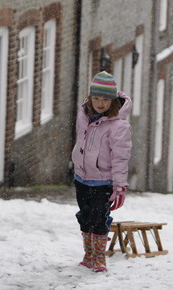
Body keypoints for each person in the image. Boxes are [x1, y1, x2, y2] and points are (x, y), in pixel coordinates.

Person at [71, 71, 132, 272]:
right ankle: (88, 255)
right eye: (96, 98)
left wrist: (119, 185)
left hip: (103, 181)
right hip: (82, 177)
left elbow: (120, 157)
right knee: (85, 216)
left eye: (105, 99)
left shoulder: (119, 126)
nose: (100, 103)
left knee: (99, 218)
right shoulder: (84, 115)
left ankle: (99, 258)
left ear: (112, 100)